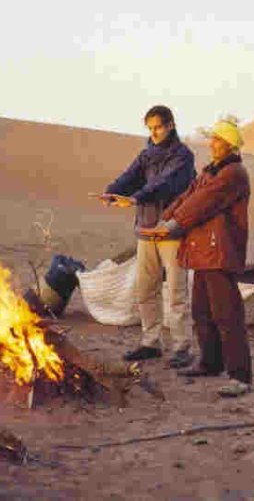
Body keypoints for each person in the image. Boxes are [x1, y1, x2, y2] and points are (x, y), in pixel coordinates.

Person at [141, 119, 253, 398]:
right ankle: (210, 362)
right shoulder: (210, 172)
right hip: (203, 252)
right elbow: (188, 195)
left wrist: (170, 225)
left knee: (228, 315)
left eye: (216, 139)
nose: (211, 143)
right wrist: (166, 219)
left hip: (220, 253)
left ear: (228, 145)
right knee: (202, 312)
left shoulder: (233, 174)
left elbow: (203, 201)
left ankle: (240, 376)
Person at [98, 105, 196, 368]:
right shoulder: (146, 155)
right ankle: (150, 342)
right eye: (150, 128)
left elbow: (163, 184)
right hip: (145, 231)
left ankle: (181, 347)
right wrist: (111, 192)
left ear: (171, 125)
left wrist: (134, 198)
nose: (154, 133)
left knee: (175, 291)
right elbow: (130, 177)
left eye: (158, 127)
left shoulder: (183, 157)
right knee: (145, 289)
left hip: (171, 231)